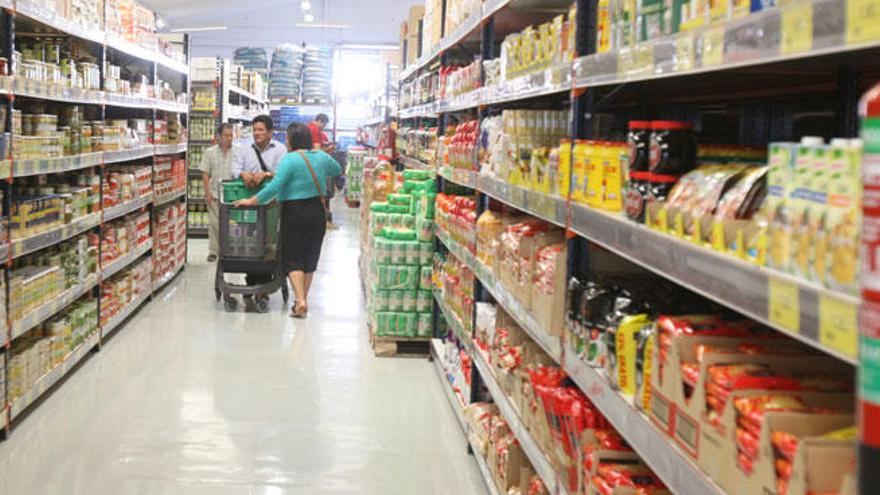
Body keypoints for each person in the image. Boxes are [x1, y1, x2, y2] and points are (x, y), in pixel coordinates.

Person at [235, 123, 342, 318]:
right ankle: (301, 301)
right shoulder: (320, 156)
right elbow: (337, 169)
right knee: (310, 256)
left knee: (293, 257)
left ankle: (300, 300)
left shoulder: (289, 160)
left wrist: (252, 200)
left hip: (294, 212)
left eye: (288, 137)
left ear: (293, 140)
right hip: (317, 211)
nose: (285, 140)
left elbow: (274, 187)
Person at [231, 114, 287, 310]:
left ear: (270, 132)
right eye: (255, 130)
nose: (257, 133)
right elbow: (234, 168)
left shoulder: (280, 150)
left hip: (271, 206)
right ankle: (252, 283)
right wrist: (242, 174)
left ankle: (261, 286)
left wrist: (267, 174)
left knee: (267, 243)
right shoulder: (244, 149)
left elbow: (283, 174)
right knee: (248, 241)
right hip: (247, 204)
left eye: (261, 130)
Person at [200, 123, 237, 262]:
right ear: (219, 137)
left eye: (231, 135)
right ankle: (213, 251)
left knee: (232, 224)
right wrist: (207, 192)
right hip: (215, 193)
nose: (229, 138)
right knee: (214, 224)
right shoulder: (210, 152)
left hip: (233, 195)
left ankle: (230, 250)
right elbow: (205, 173)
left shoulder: (238, 151)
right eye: (226, 135)